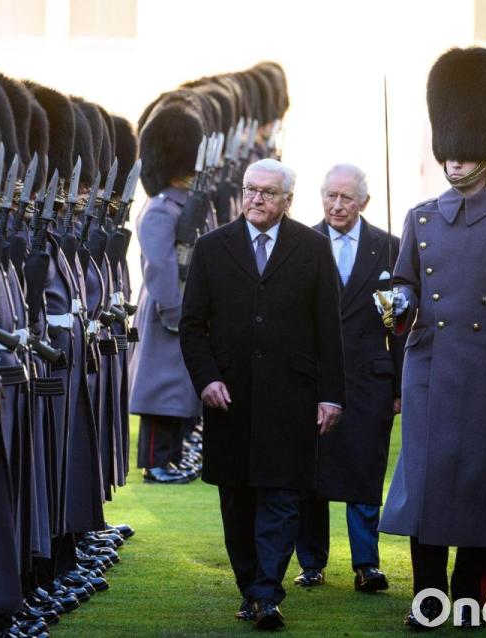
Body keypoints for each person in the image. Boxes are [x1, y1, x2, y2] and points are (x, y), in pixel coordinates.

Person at [378, 47, 486, 629]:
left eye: (466, 151)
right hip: (429, 368)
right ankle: (429, 600)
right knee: (425, 489)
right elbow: (403, 286)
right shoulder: (421, 218)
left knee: (481, 487)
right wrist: (395, 303)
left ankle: (471, 601)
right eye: (449, 150)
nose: (454, 160)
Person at [180, 158, 345, 631]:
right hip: (229, 397)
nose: (256, 198)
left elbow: (328, 329)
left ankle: (267, 593)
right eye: (251, 189)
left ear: (288, 200)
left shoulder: (313, 248)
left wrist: (332, 396)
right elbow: (191, 326)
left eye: (268, 192)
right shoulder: (211, 247)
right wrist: (207, 379)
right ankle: (250, 586)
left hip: (291, 397)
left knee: (282, 496)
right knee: (237, 500)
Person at [294, 164, 403, 593]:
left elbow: (400, 327)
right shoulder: (300, 244)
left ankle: (366, 564)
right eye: (330, 196)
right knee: (310, 471)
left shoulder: (390, 248)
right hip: (312, 378)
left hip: (369, 379)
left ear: (364, 202)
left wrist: (399, 387)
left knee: (365, 467)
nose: (337, 206)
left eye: (346, 198)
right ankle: (311, 563)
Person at [130, 99, 208, 484]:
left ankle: (172, 458)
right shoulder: (162, 207)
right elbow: (159, 265)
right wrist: (174, 310)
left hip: (183, 306)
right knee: (161, 394)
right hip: (168, 308)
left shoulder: (185, 203)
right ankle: (155, 462)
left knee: (179, 392)